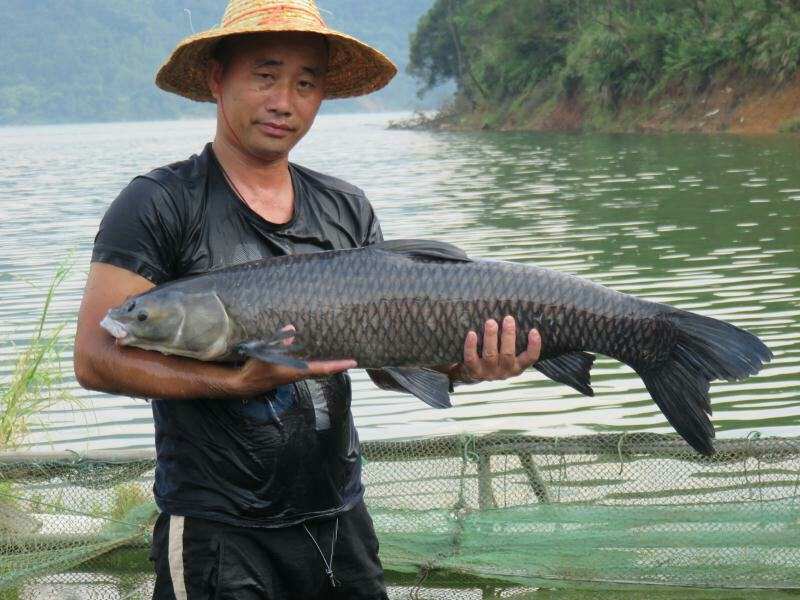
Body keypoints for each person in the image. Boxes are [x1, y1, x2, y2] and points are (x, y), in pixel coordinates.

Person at [73, 1, 542, 598]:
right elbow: (94, 358)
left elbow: (387, 366)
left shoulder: (346, 208)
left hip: (339, 515)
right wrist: (238, 381)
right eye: (264, 76)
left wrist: (467, 366)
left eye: (305, 83)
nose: (284, 102)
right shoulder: (158, 203)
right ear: (218, 79)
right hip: (218, 528)